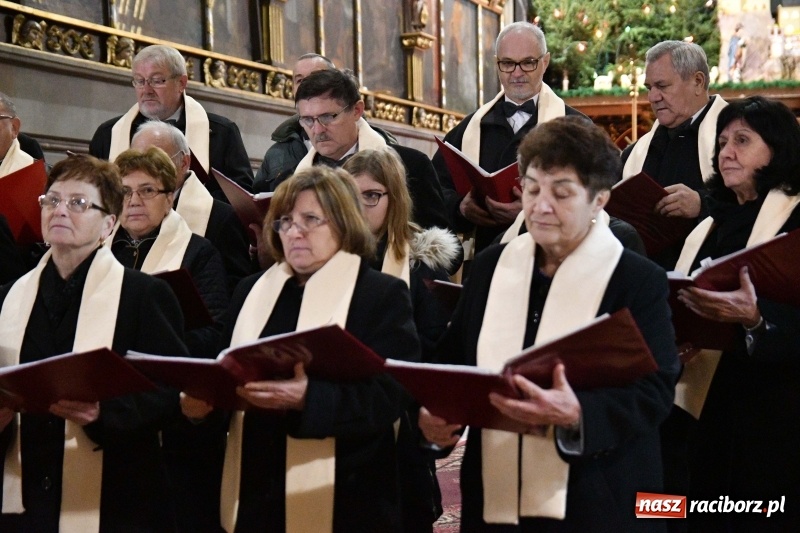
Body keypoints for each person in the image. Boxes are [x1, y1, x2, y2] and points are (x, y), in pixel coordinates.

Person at [419, 116, 679, 532]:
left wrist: (578, 415)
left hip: (596, 496)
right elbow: (454, 365)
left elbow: (655, 391)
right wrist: (434, 420)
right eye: (533, 188)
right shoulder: (491, 267)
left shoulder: (634, 279)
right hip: (497, 499)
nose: (540, 206)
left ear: (599, 200)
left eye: (561, 193)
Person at [181, 165, 421, 533]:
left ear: (344, 223)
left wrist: (310, 398)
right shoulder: (251, 290)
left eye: (311, 219)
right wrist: (200, 408)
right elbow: (226, 371)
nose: (295, 232)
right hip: (255, 485)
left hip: (346, 491)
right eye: (285, 221)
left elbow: (392, 394)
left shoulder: (378, 295)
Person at [0, 154, 188, 532]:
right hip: (25, 493)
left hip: (115, 494)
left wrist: (105, 412)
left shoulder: (143, 295)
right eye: (51, 200)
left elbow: (171, 392)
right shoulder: (8, 298)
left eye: (78, 203)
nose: (60, 211)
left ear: (108, 224)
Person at [672, 96, 800, 531]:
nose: (726, 151)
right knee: (678, 509)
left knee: (754, 515)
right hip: (699, 401)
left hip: (769, 408)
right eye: (723, 141)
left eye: (743, 140)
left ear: (778, 149)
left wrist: (755, 319)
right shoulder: (711, 221)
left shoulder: (795, 219)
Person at [110, 147, 229, 533]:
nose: (134, 201)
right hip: (111, 404)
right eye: (124, 192)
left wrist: (148, 343)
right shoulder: (100, 250)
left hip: (174, 414)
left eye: (147, 191)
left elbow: (215, 333)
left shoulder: (198, 253)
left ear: (171, 196)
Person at [343, 148, 461, 531]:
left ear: (395, 198)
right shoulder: (324, 257)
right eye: (350, 195)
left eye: (372, 195)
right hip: (342, 407)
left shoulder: (421, 262)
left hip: (403, 413)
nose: (360, 207)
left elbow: (433, 345)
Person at [432, 21, 586, 254]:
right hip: (483, 261)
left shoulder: (578, 129)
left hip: (550, 261)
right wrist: (461, 208)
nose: (517, 73)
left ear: (545, 62)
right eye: (507, 63)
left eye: (527, 63)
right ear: (497, 64)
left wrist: (531, 212)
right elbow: (433, 189)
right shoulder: (468, 129)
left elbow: (597, 197)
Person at [266, 68, 451, 232]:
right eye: (307, 120)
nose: (317, 129)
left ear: (357, 110)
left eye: (327, 117)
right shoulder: (289, 180)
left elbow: (444, 251)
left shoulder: (411, 165)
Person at [89, 44, 253, 200]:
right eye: (139, 81)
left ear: (181, 83)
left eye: (157, 80)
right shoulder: (108, 134)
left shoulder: (222, 132)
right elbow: (94, 194)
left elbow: (241, 197)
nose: (146, 90)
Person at [621, 40, 729, 269]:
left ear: (698, 82)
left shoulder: (738, 137)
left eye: (662, 86)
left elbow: (763, 199)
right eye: (649, 87)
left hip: (710, 274)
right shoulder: (635, 153)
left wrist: (702, 204)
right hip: (647, 277)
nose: (652, 97)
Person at [130, 121, 253, 293]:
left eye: (157, 160)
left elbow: (233, 289)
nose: (144, 170)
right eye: (136, 160)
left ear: (184, 162)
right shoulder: (124, 213)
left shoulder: (221, 218)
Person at [253, 53, 335, 192]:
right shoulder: (277, 153)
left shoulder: (365, 141)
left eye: (315, 78)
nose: (307, 86)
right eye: (300, 80)